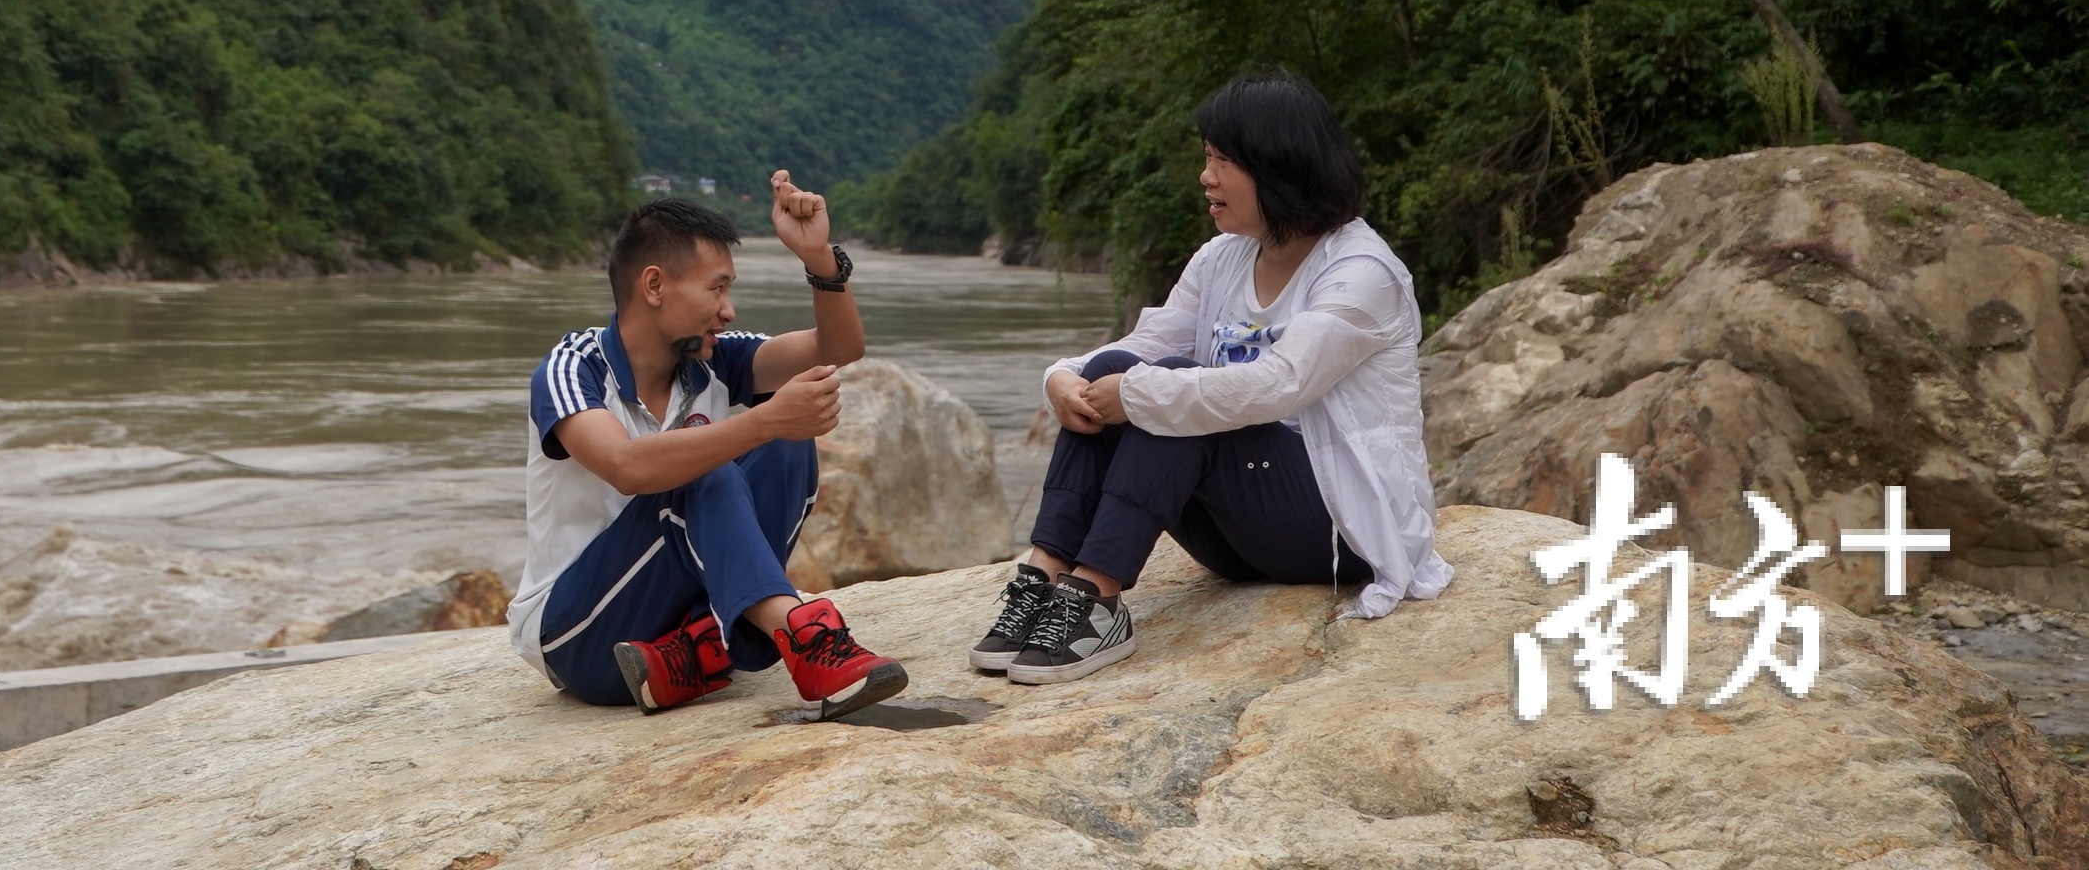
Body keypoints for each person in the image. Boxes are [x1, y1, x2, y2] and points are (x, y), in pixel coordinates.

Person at [971, 71, 1453, 685]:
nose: (1207, 177)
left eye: (1224, 160)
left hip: (1339, 526)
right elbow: (1143, 348)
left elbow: (1277, 385)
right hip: (1240, 536)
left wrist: (1142, 393)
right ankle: (1043, 579)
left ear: (1279, 167)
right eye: (1207, 158)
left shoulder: (1361, 273)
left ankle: (1095, 598)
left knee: (1165, 387)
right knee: (1115, 371)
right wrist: (1063, 377)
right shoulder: (1223, 256)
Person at [509, 174, 909, 717]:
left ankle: (697, 651)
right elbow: (627, 467)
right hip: (577, 632)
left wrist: (818, 258)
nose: (729, 310)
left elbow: (839, 347)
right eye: (717, 288)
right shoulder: (572, 367)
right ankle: (804, 636)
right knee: (705, 459)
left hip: (664, 637)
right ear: (654, 286)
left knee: (787, 446)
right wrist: (763, 421)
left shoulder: (711, 358)